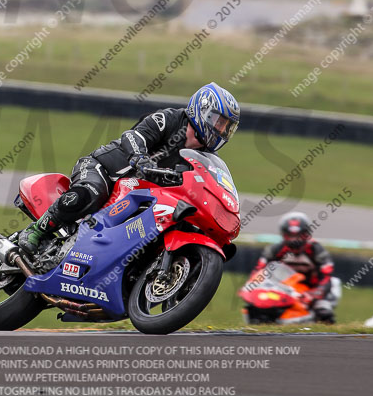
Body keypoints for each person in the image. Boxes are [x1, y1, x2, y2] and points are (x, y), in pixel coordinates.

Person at [17, 82, 240, 257]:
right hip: (105, 169)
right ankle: (37, 230)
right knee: (90, 193)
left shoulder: (206, 158)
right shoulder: (169, 119)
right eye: (219, 122)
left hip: (142, 194)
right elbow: (134, 136)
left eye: (226, 127)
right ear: (202, 110)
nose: (221, 131)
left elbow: (205, 184)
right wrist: (140, 158)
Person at [254, 211, 339, 323]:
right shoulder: (275, 250)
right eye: (290, 235)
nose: (294, 240)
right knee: (256, 308)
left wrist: (314, 294)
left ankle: (323, 320)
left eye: (298, 235)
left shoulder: (316, 250)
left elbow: (326, 276)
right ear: (284, 234)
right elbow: (259, 271)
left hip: (310, 291)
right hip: (282, 290)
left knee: (325, 307)